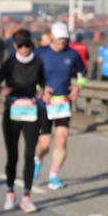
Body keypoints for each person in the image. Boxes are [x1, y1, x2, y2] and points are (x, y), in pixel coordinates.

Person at [0, 29, 46, 213]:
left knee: (29, 155)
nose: (24, 49)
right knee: (12, 156)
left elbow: (42, 83)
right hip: (12, 112)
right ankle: (10, 192)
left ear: (32, 45)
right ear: (15, 46)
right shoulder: (9, 63)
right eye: (20, 46)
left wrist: (42, 91)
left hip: (31, 112)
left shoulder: (38, 62)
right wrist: (2, 91)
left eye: (27, 45)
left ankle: (27, 197)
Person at [34, 21, 86, 189]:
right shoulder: (40, 53)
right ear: (51, 37)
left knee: (61, 139)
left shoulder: (72, 54)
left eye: (65, 39)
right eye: (59, 39)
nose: (62, 42)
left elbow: (82, 73)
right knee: (44, 144)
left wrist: (78, 87)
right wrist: (40, 89)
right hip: (44, 104)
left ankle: (54, 176)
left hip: (63, 103)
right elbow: (30, 74)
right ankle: (37, 159)